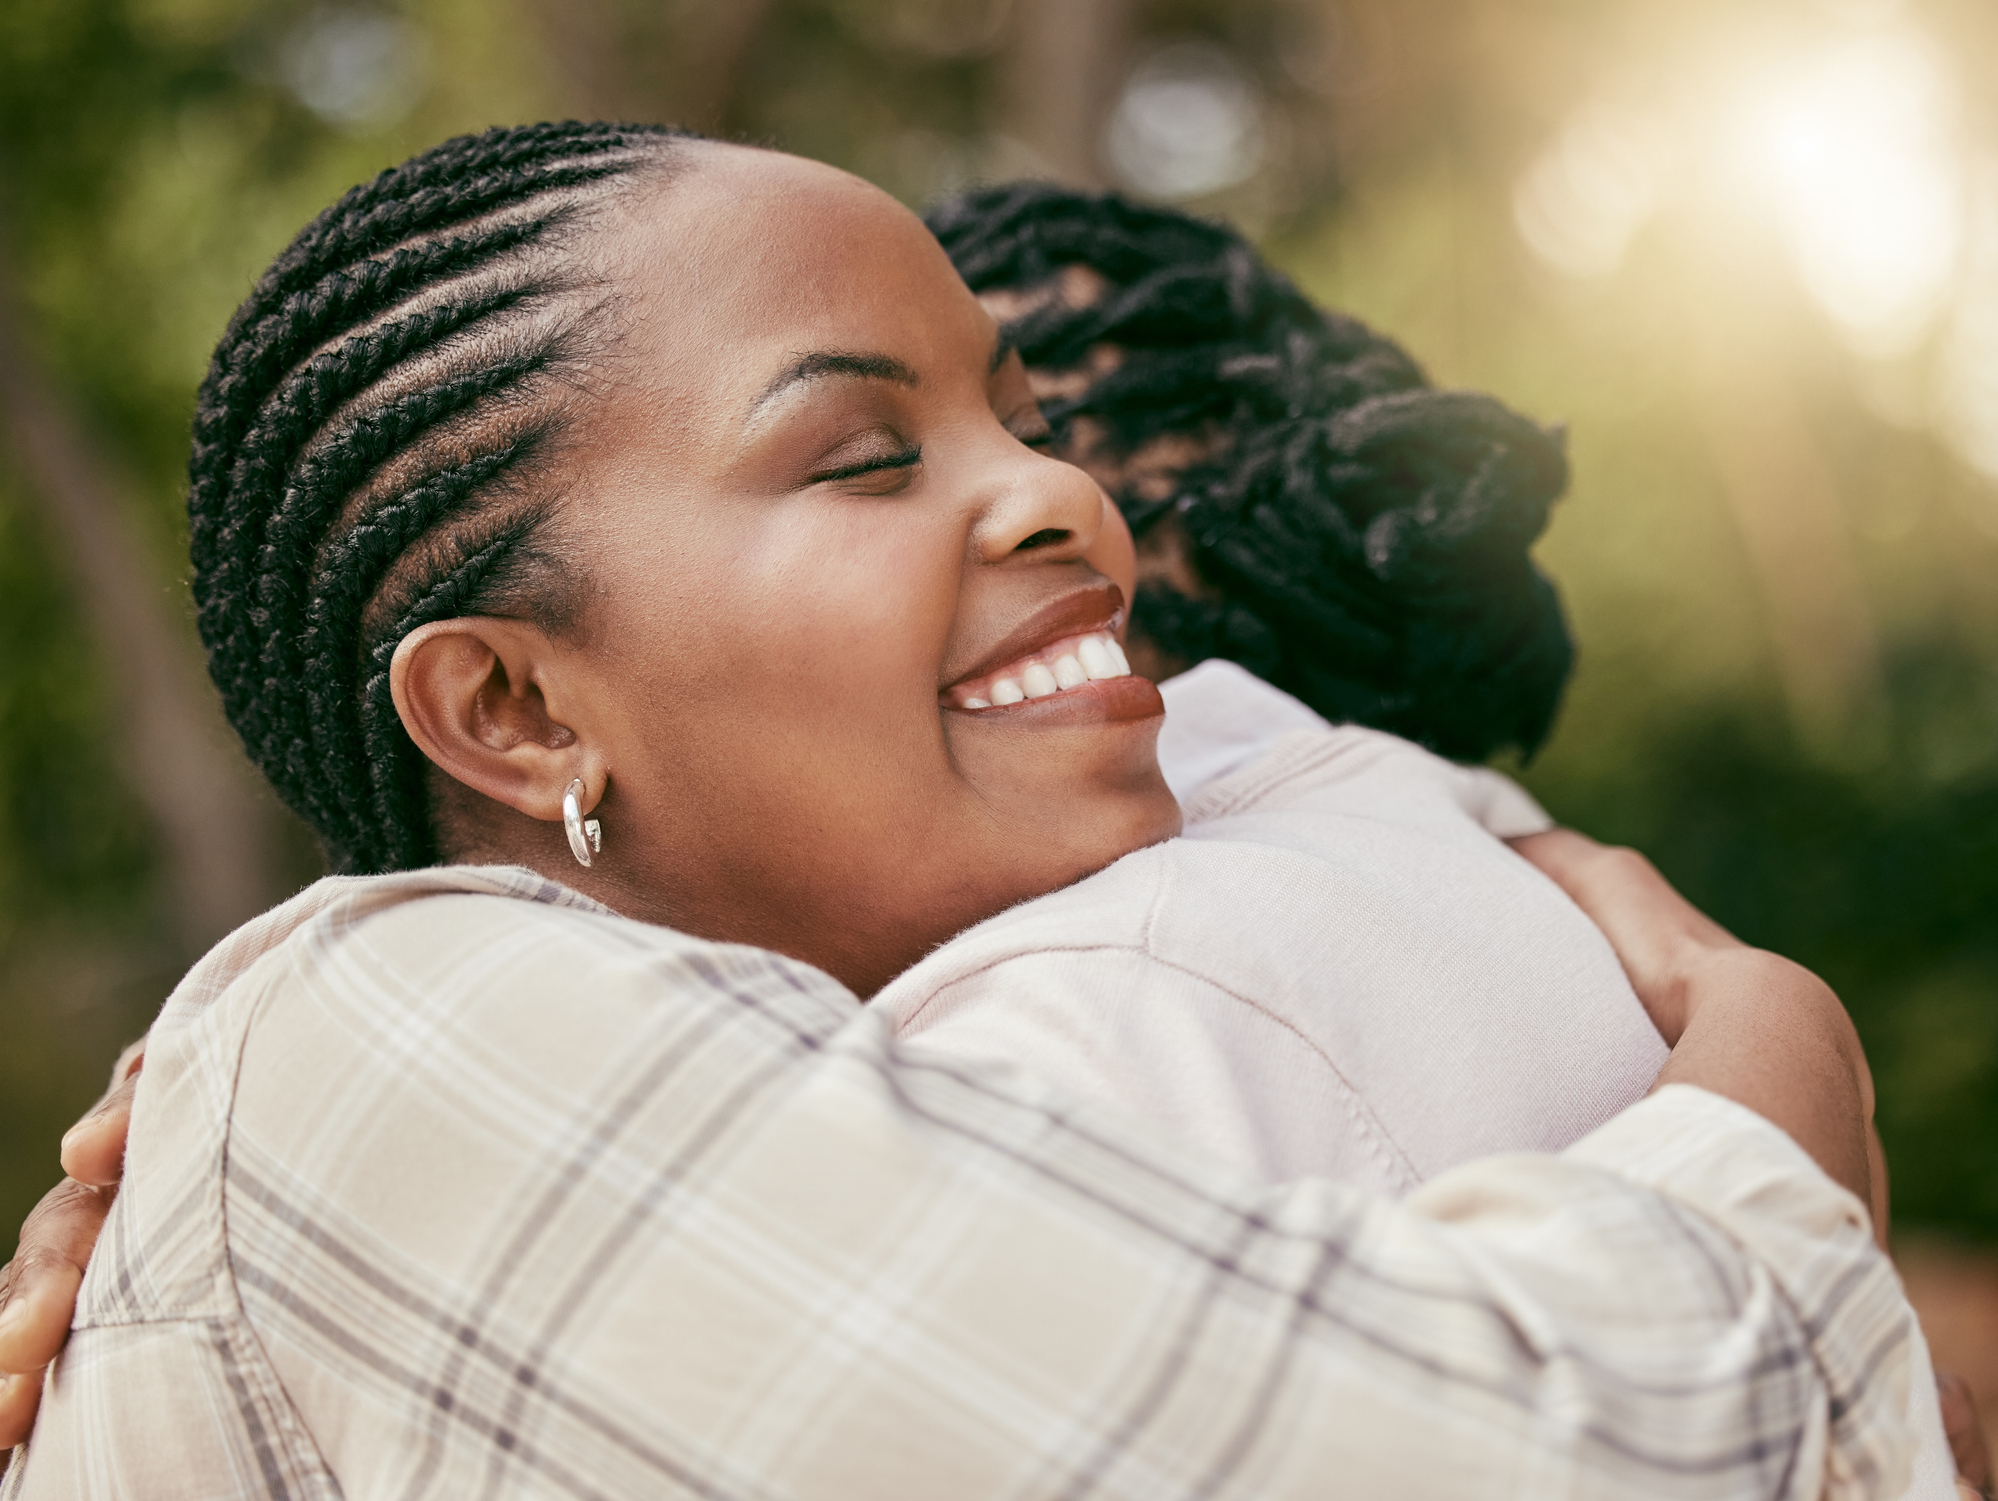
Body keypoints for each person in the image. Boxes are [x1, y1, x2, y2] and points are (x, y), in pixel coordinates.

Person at [0, 123, 1940, 1497]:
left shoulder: (817, 1024)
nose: (1058, 498)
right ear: (512, 707)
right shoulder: (375, 1030)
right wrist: (1771, 1059)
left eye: (1021, 418)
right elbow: (1506, 1458)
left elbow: (1279, 751)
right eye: (860, 456)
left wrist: (1519, 846)